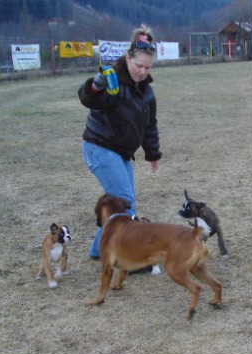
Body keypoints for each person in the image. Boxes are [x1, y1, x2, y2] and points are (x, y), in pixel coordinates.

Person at [79, 25, 162, 259]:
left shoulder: (146, 92)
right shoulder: (112, 80)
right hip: (100, 148)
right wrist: (95, 86)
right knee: (124, 203)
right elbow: (90, 100)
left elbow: (150, 125)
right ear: (128, 58)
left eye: (148, 67)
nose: (143, 71)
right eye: (139, 66)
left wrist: (153, 154)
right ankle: (127, 257)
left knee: (121, 202)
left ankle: (98, 250)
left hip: (120, 153)